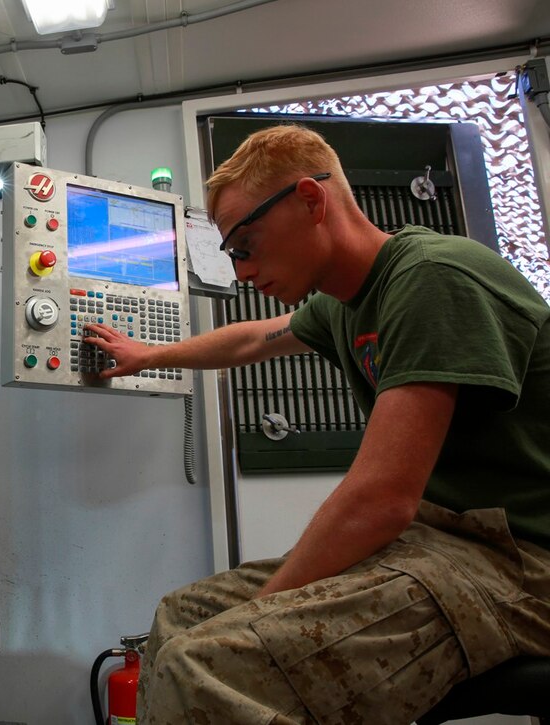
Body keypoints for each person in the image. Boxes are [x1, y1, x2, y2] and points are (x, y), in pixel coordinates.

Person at [83, 123, 550, 724]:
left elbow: (381, 501)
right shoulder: (342, 305)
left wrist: (263, 615)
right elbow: (250, 339)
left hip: (524, 566)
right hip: (441, 545)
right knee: (181, 618)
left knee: (211, 659)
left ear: (310, 200)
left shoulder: (433, 277)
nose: (242, 271)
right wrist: (149, 356)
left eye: (244, 245)